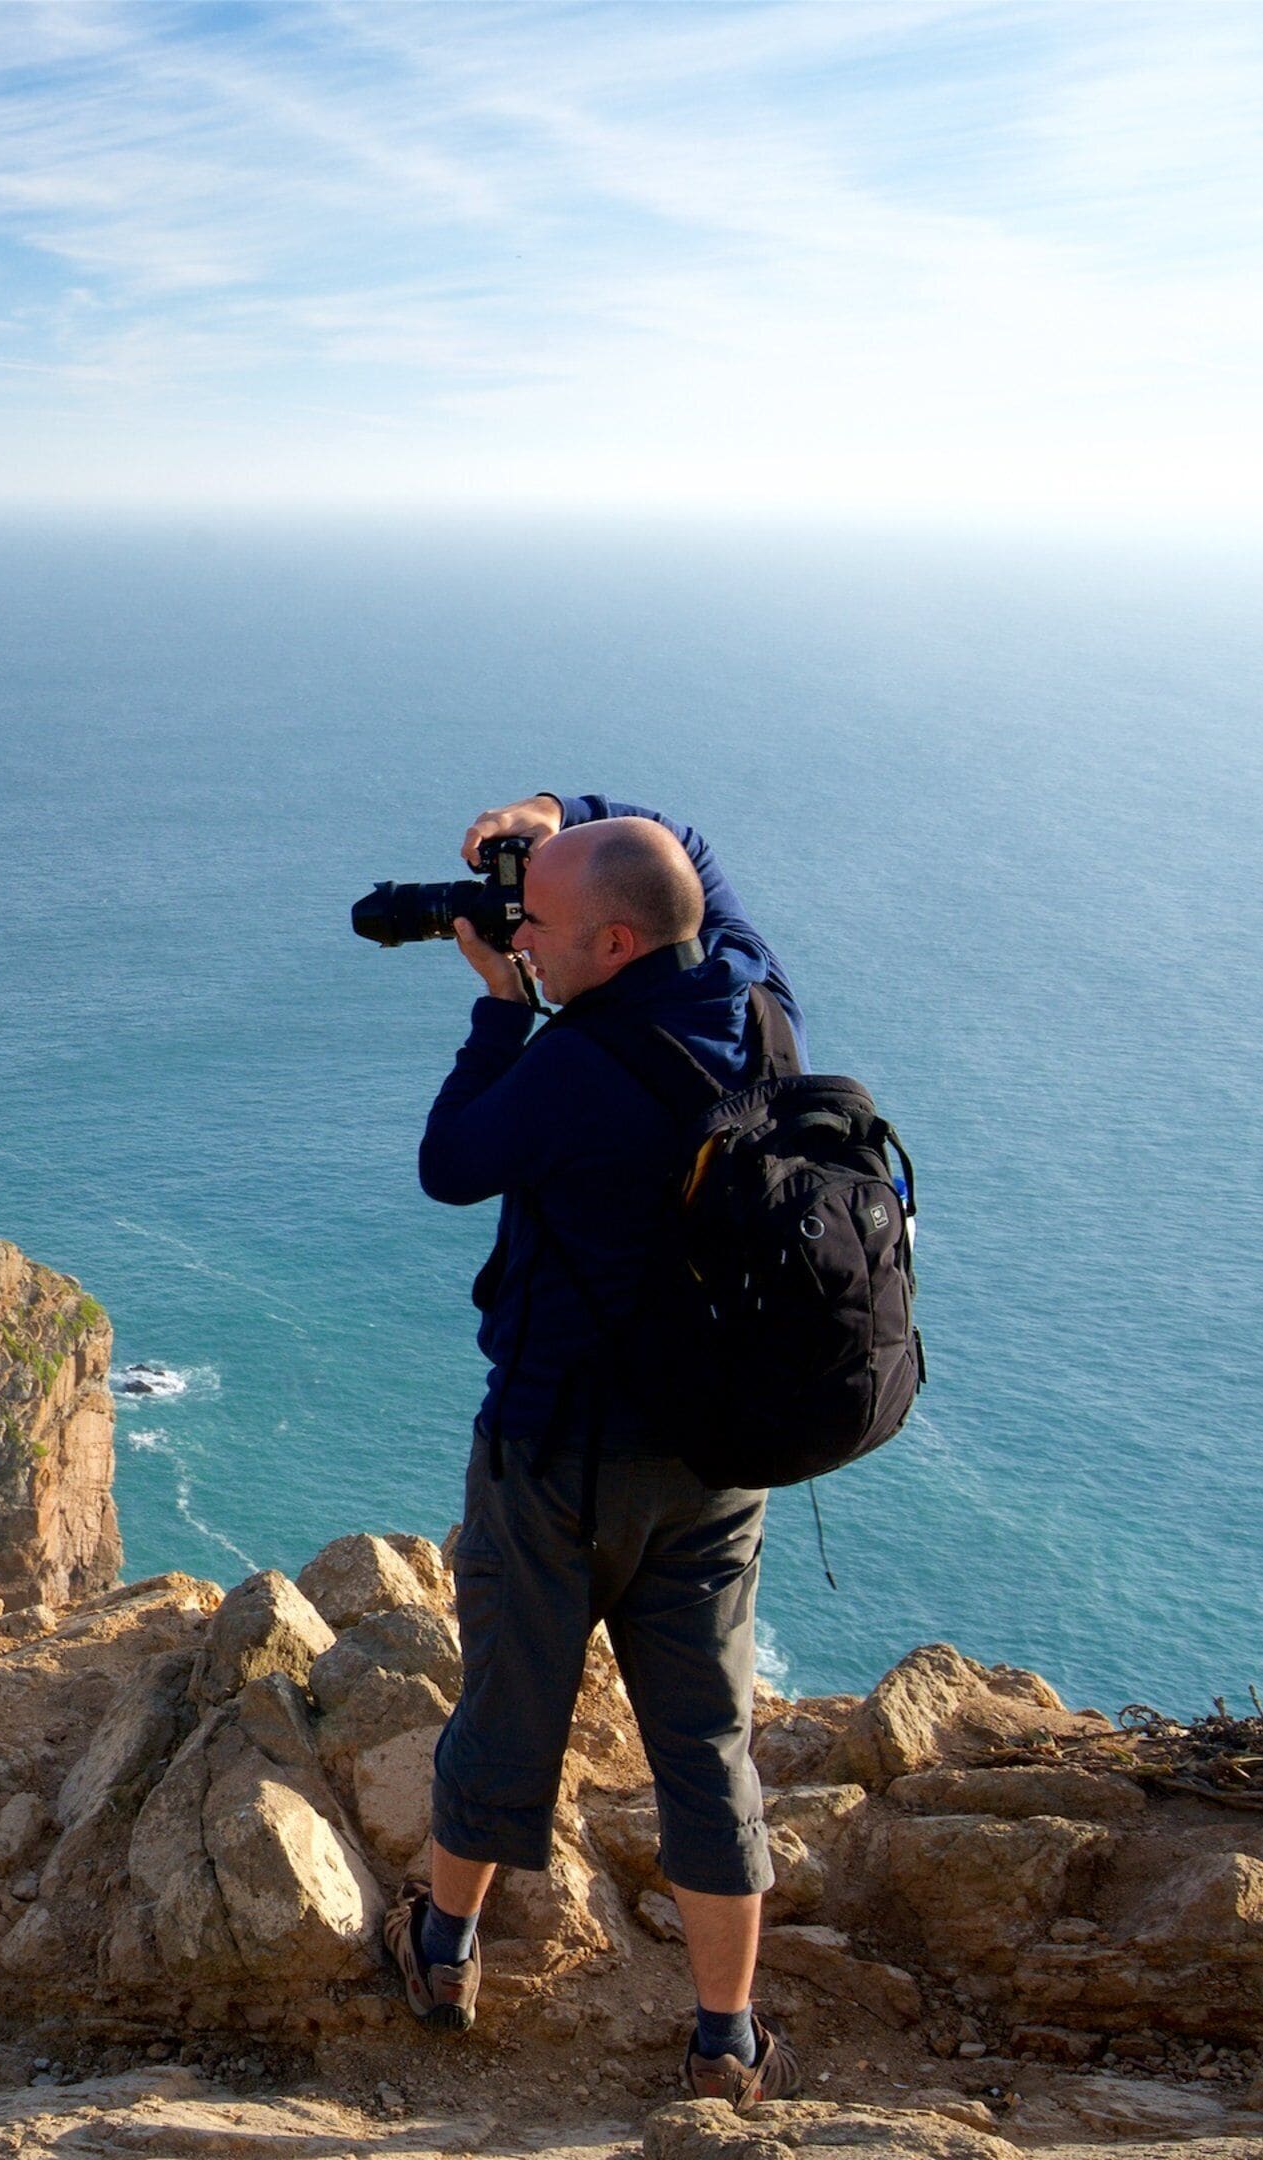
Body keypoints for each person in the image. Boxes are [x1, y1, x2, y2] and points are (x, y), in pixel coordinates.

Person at [384, 790, 804, 2107]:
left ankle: (446, 1952)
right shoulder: (756, 998)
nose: (526, 932)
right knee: (705, 1737)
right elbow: (694, 858)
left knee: (510, 1700)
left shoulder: (573, 1066)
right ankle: (725, 2034)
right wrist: (571, 814)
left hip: (557, 1453)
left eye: (548, 924)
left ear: (615, 947)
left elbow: (451, 1165)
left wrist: (502, 1007)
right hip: (719, 1462)